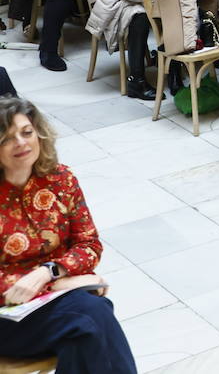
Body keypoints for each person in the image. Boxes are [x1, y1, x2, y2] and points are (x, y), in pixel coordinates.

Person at [0, 98, 137, 372]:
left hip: (63, 308)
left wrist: (50, 272)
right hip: (7, 317)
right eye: (7, 138)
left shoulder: (61, 179)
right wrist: (63, 284)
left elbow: (89, 244)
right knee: (93, 313)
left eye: (27, 132)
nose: (22, 143)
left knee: (84, 334)